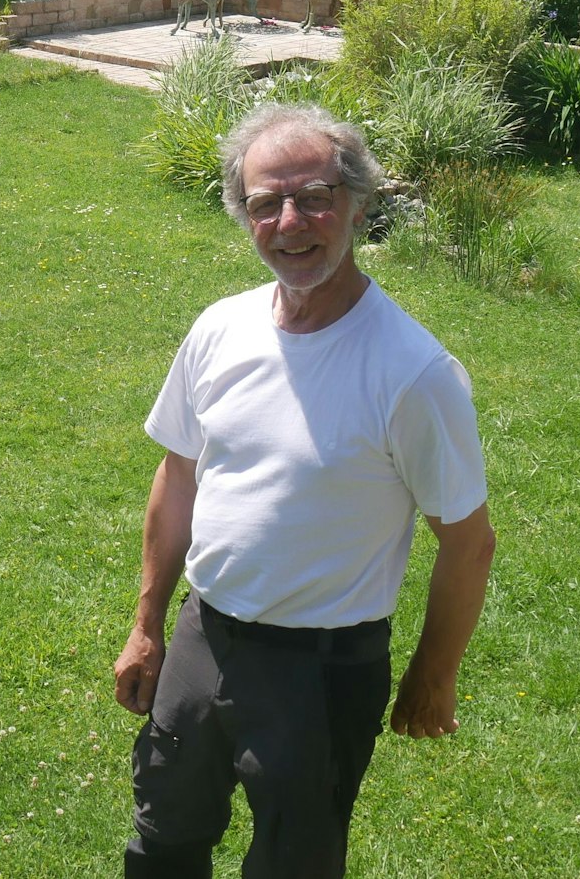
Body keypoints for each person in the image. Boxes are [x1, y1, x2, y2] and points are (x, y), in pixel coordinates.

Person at [112, 103, 497, 878]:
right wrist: (148, 624)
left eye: (314, 196)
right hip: (203, 634)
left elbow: (468, 540)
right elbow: (179, 475)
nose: (290, 222)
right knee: (163, 838)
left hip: (320, 670)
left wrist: (435, 672)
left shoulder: (413, 373)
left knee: (294, 862)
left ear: (356, 202)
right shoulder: (220, 329)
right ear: (243, 214)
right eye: (265, 203)